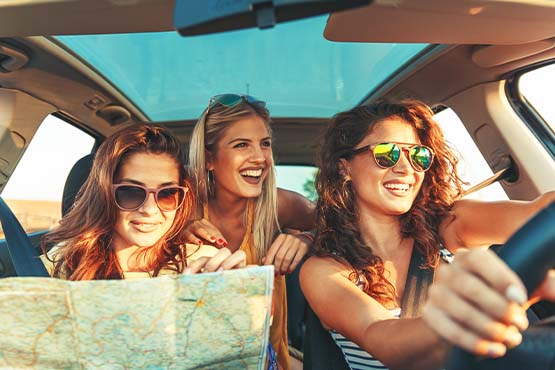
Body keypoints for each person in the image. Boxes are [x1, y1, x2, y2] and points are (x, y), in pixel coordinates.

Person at [299, 100, 555, 370]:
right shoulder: (324, 271)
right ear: (344, 168)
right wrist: (458, 319)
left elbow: (538, 212)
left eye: (418, 156)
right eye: (387, 154)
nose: (406, 168)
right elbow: (381, 335)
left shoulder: (448, 225)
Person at [186, 93, 315, 370]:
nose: (259, 158)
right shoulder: (182, 209)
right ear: (210, 158)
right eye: (241, 145)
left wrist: (306, 238)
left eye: (265, 144)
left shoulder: (278, 206)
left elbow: (345, 221)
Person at [42, 123, 246, 280]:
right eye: (131, 192)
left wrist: (247, 299)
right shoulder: (65, 262)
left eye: (167, 194)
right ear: (104, 194)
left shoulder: (205, 264)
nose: (150, 210)